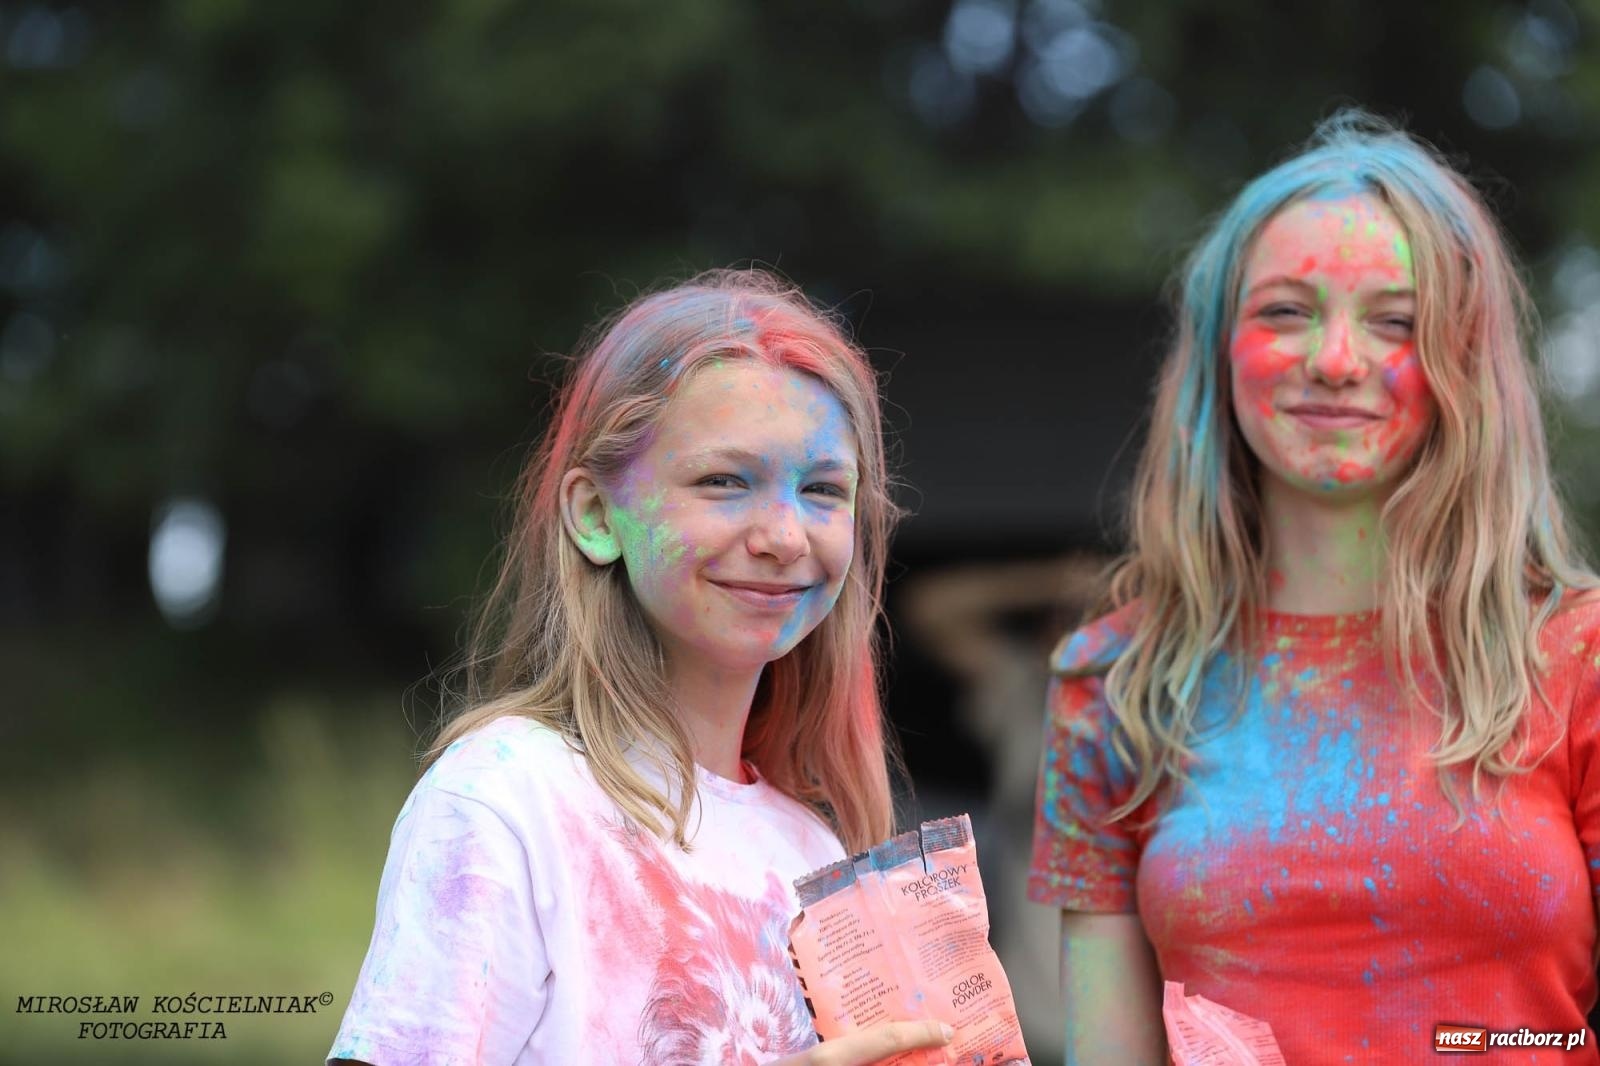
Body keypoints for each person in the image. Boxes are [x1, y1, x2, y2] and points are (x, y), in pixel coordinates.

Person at [1027, 111, 1600, 1064]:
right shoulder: (1114, 681)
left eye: (1394, 322)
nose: (1336, 361)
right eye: (1286, 311)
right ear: (1218, 353)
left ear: (1466, 359)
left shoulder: (1579, 654)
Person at [328, 269, 955, 1065]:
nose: (786, 536)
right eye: (724, 482)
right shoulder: (506, 795)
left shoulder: (814, 854)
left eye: (824, 489)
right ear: (595, 516)